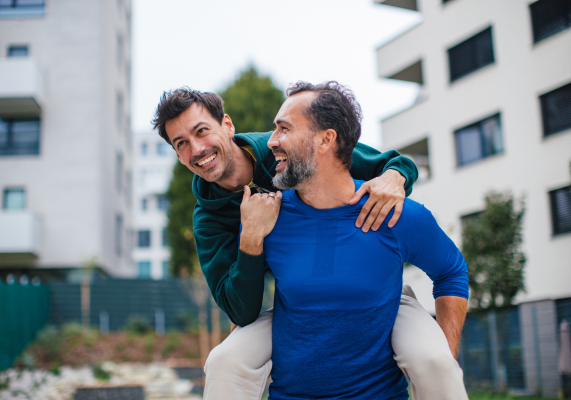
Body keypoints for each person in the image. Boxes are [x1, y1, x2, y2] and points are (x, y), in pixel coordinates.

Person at [151, 87, 465, 399]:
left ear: (228, 126)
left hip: (381, 294)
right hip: (294, 302)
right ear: (178, 154)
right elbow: (240, 310)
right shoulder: (210, 219)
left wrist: (397, 176)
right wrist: (250, 240)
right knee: (223, 360)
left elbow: (367, 159)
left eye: (201, 131)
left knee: (435, 362)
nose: (197, 148)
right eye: (182, 143)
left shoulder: (286, 149)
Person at [240, 81, 469, 399]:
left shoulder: (397, 215)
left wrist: (444, 360)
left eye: (283, 129)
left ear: (325, 139)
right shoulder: (267, 217)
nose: (272, 142)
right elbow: (242, 310)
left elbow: (451, 271)